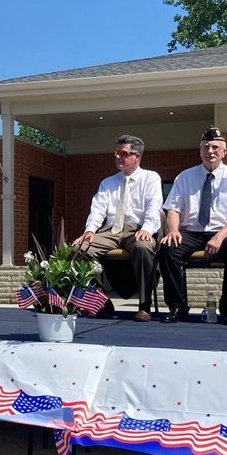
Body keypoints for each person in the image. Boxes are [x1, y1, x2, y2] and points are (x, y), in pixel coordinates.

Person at [157, 128, 227, 325]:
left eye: (215, 147)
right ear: (200, 151)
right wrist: (173, 230)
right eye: (206, 147)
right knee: (168, 249)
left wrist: (219, 236)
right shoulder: (185, 177)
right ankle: (178, 307)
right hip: (191, 232)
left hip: (225, 232)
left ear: (224, 152)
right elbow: (173, 209)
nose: (210, 151)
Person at [71, 135, 163, 322]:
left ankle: (144, 305)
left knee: (143, 248)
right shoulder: (108, 183)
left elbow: (154, 207)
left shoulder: (150, 178)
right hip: (111, 229)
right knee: (79, 249)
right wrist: (90, 231)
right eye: (117, 153)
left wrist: (147, 229)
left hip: (136, 228)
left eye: (123, 153)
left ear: (137, 156)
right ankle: (101, 300)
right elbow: (97, 209)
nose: (118, 157)